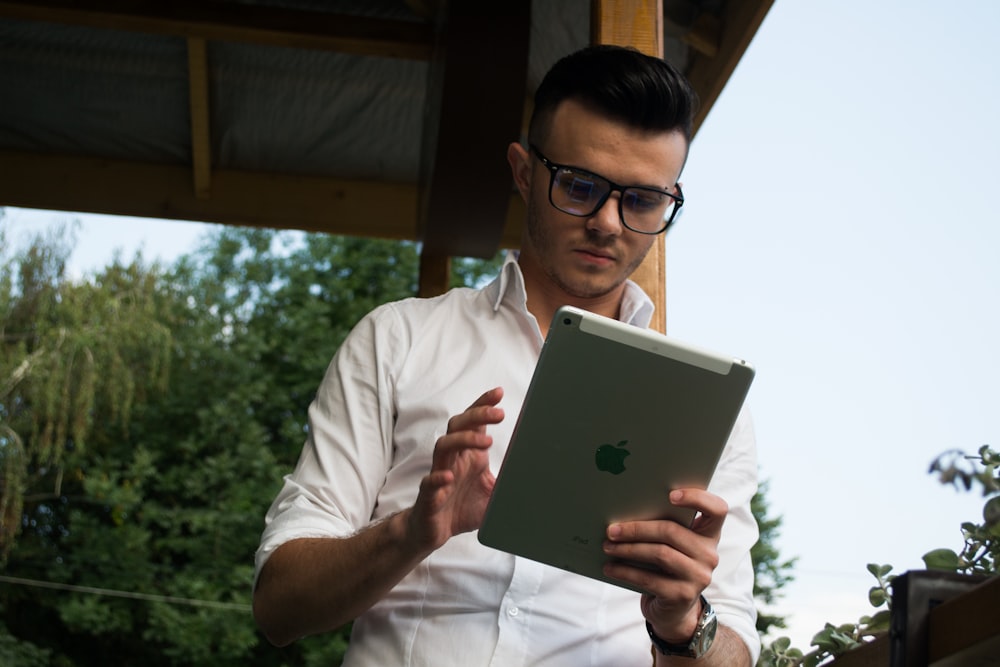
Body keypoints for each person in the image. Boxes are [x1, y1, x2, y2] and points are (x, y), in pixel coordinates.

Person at [253, 45, 760, 666]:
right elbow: (278, 607)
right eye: (579, 185)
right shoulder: (397, 340)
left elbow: (732, 645)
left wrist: (682, 621)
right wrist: (413, 533)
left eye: (643, 201)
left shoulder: (709, 411)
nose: (608, 221)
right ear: (523, 173)